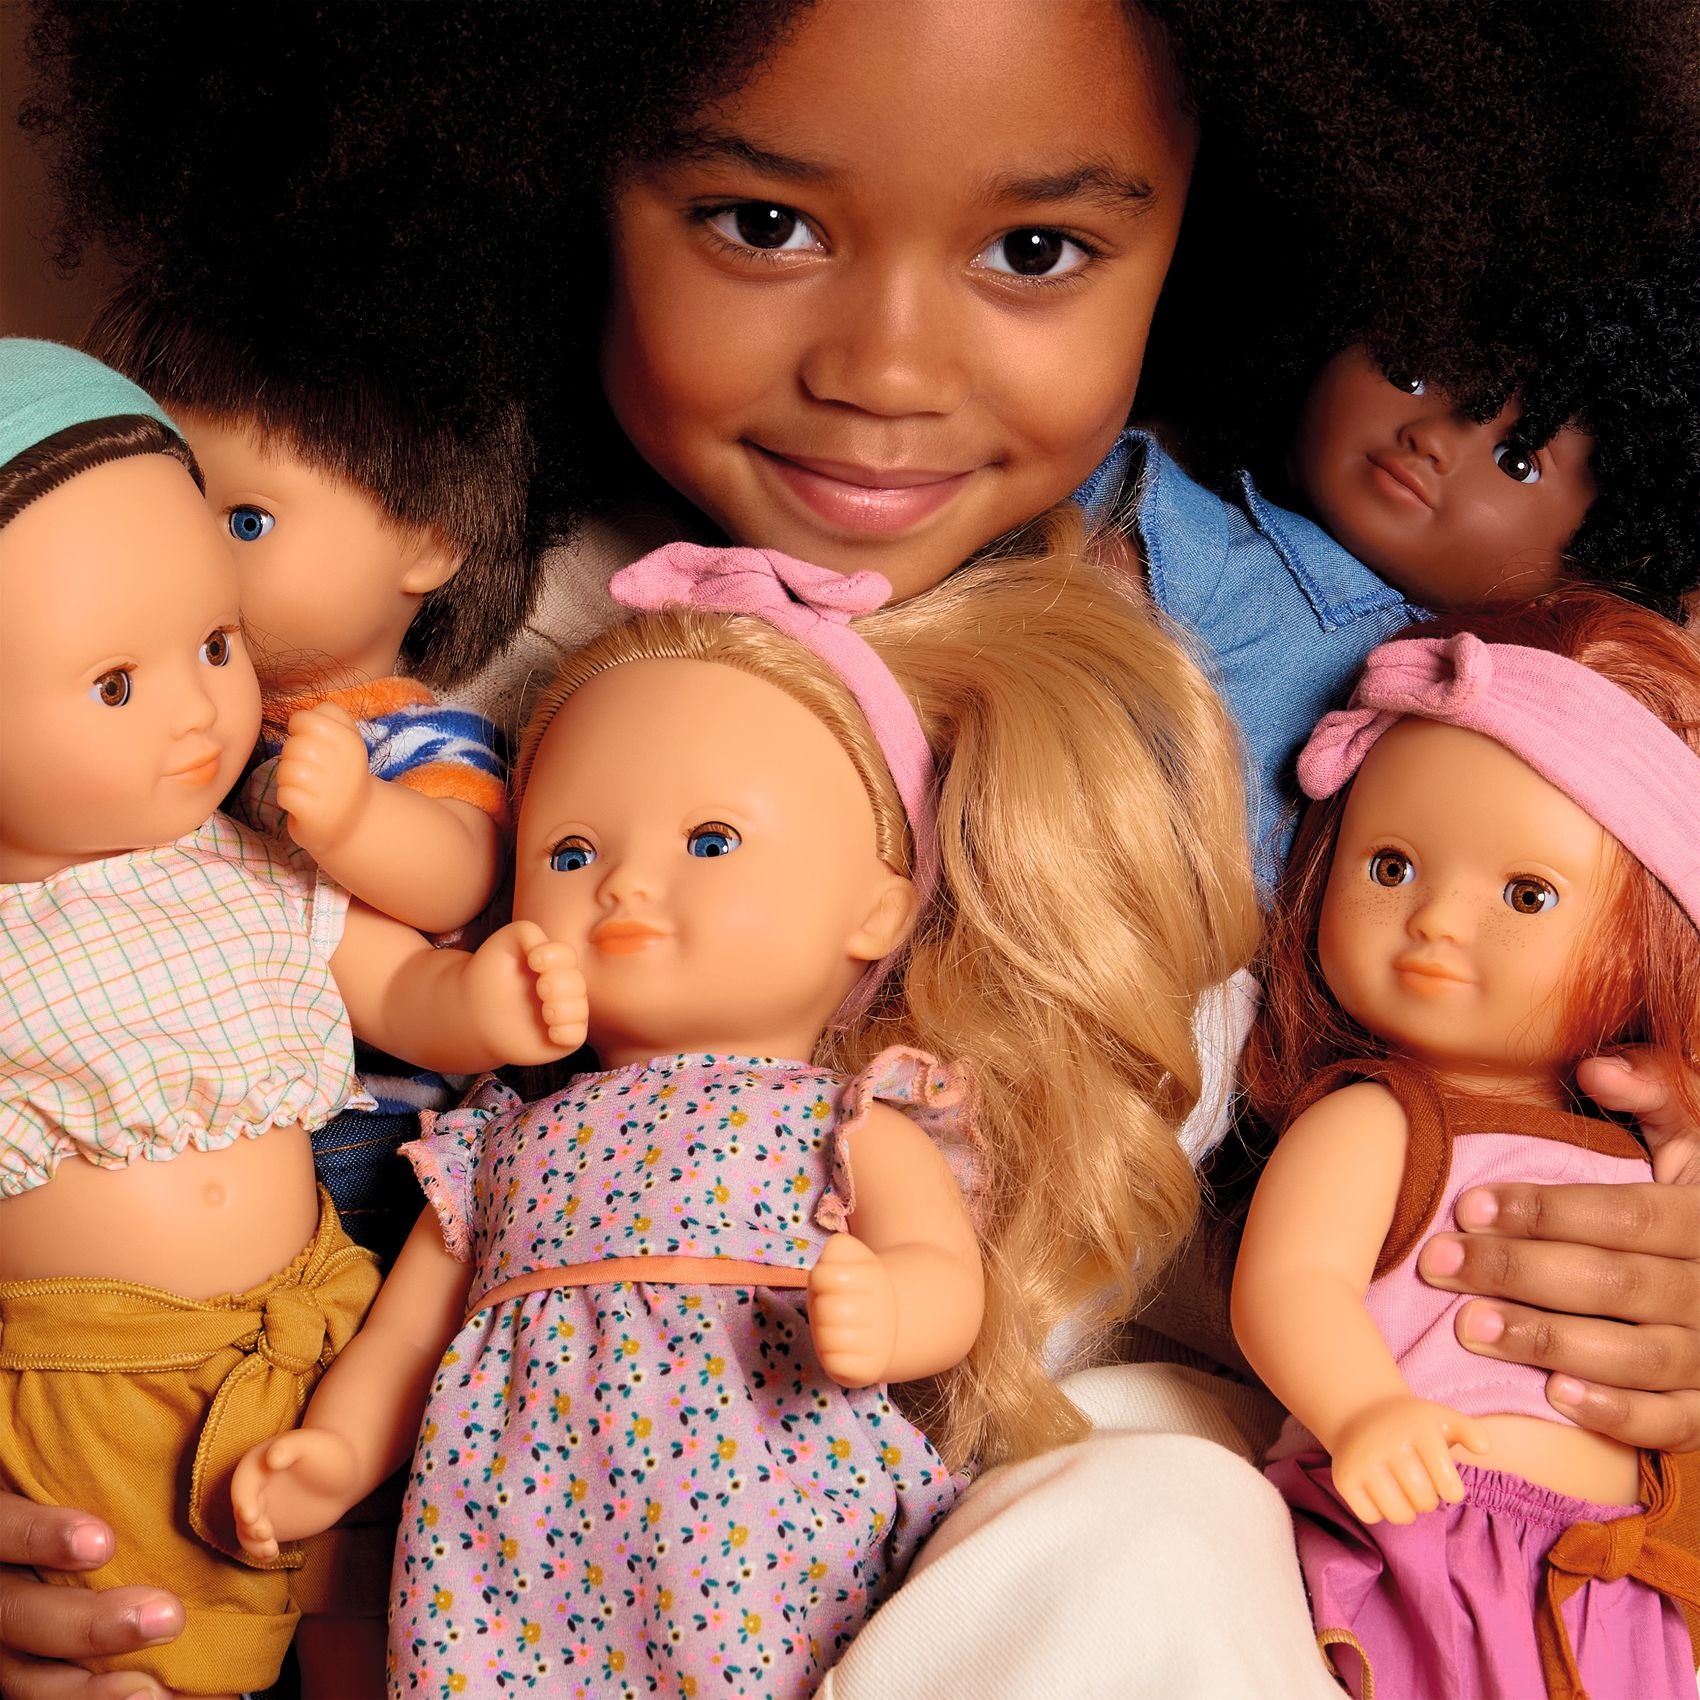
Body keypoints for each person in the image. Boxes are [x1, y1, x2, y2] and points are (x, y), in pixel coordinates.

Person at [8, 2, 1700, 1695]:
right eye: (762, 224)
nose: (888, 366)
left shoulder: (1338, 687)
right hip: (471, 1542)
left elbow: (1584, 1012)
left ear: (1217, 213)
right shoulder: (340, 606)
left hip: (1156, 1547)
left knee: (1161, 1503)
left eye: (1036, 248)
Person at [0, 341, 578, 1696]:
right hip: (95, 1381)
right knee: (129, 1647)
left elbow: (392, 985)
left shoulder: (253, 866)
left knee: (375, 1623)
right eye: (116, 684)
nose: (205, 708)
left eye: (217, 644)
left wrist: (486, 1001)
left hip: (326, 1324)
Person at [1234, 588, 1700, 1696]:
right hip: (1425, 1530)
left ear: (1650, 939)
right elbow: (1288, 1283)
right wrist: (1363, 1408)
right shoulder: (1378, 1115)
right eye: (1388, 866)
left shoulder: (1635, 1142)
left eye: (1525, 893)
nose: (1437, 918)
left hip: (1606, 1565)